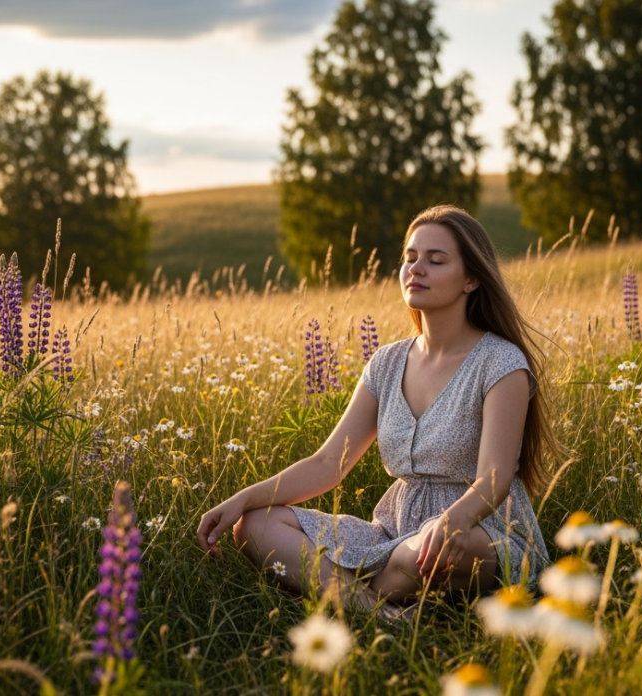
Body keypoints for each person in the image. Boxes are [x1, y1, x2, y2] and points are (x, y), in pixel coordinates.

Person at [195, 205, 565, 615]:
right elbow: (327, 464)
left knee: (428, 551)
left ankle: (345, 593)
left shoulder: (500, 362)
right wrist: (243, 500)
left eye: (435, 260)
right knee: (255, 525)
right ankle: (383, 614)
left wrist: (451, 521)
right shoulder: (387, 363)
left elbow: (493, 480)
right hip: (393, 531)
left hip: (476, 529)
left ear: (472, 280)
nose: (416, 269)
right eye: (410, 258)